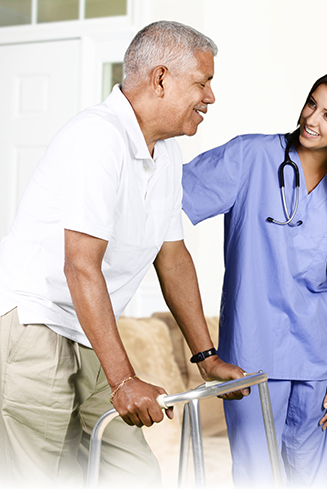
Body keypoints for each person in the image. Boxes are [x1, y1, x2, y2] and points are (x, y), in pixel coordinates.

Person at [0, 20, 247, 488]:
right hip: (35, 324)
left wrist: (206, 356)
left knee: (132, 473)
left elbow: (171, 257)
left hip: (87, 329)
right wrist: (122, 380)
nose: (210, 97)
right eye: (203, 82)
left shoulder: (166, 151)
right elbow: (80, 264)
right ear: (160, 79)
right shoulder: (97, 137)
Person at [182, 68, 327, 487]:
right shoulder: (250, 157)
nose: (312, 119)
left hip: (317, 361)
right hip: (250, 358)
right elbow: (162, 202)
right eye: (313, 103)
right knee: (258, 478)